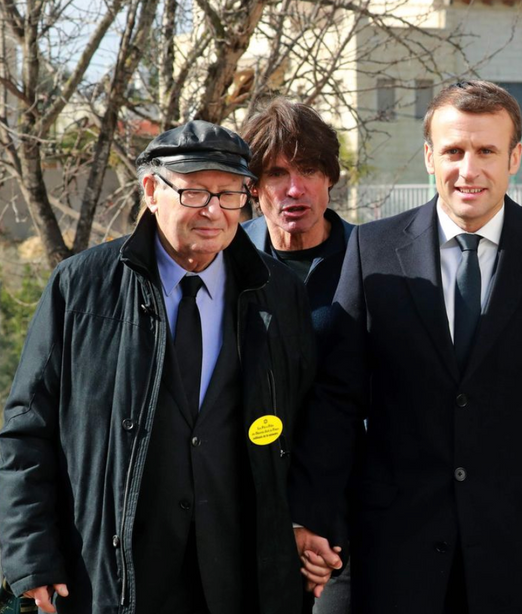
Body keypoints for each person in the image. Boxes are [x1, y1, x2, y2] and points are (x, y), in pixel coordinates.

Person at [289, 80, 522, 613]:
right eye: (453, 151)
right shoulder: (372, 249)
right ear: (429, 156)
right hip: (391, 556)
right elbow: (338, 402)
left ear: (515, 157)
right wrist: (310, 517)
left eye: (486, 151)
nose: (468, 170)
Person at [0, 121, 321, 614]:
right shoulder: (80, 288)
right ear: (152, 191)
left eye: (231, 194)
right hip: (117, 574)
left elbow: (309, 423)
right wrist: (31, 555)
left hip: (242, 575)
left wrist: (306, 520)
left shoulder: (277, 293)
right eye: (194, 192)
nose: (214, 211)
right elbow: (27, 432)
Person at [240, 98, 354, 613]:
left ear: (330, 177)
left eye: (308, 170)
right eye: (276, 173)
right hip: (244, 513)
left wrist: (317, 522)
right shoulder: (225, 261)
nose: (294, 189)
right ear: (253, 187)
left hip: (348, 520)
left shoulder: (371, 261)